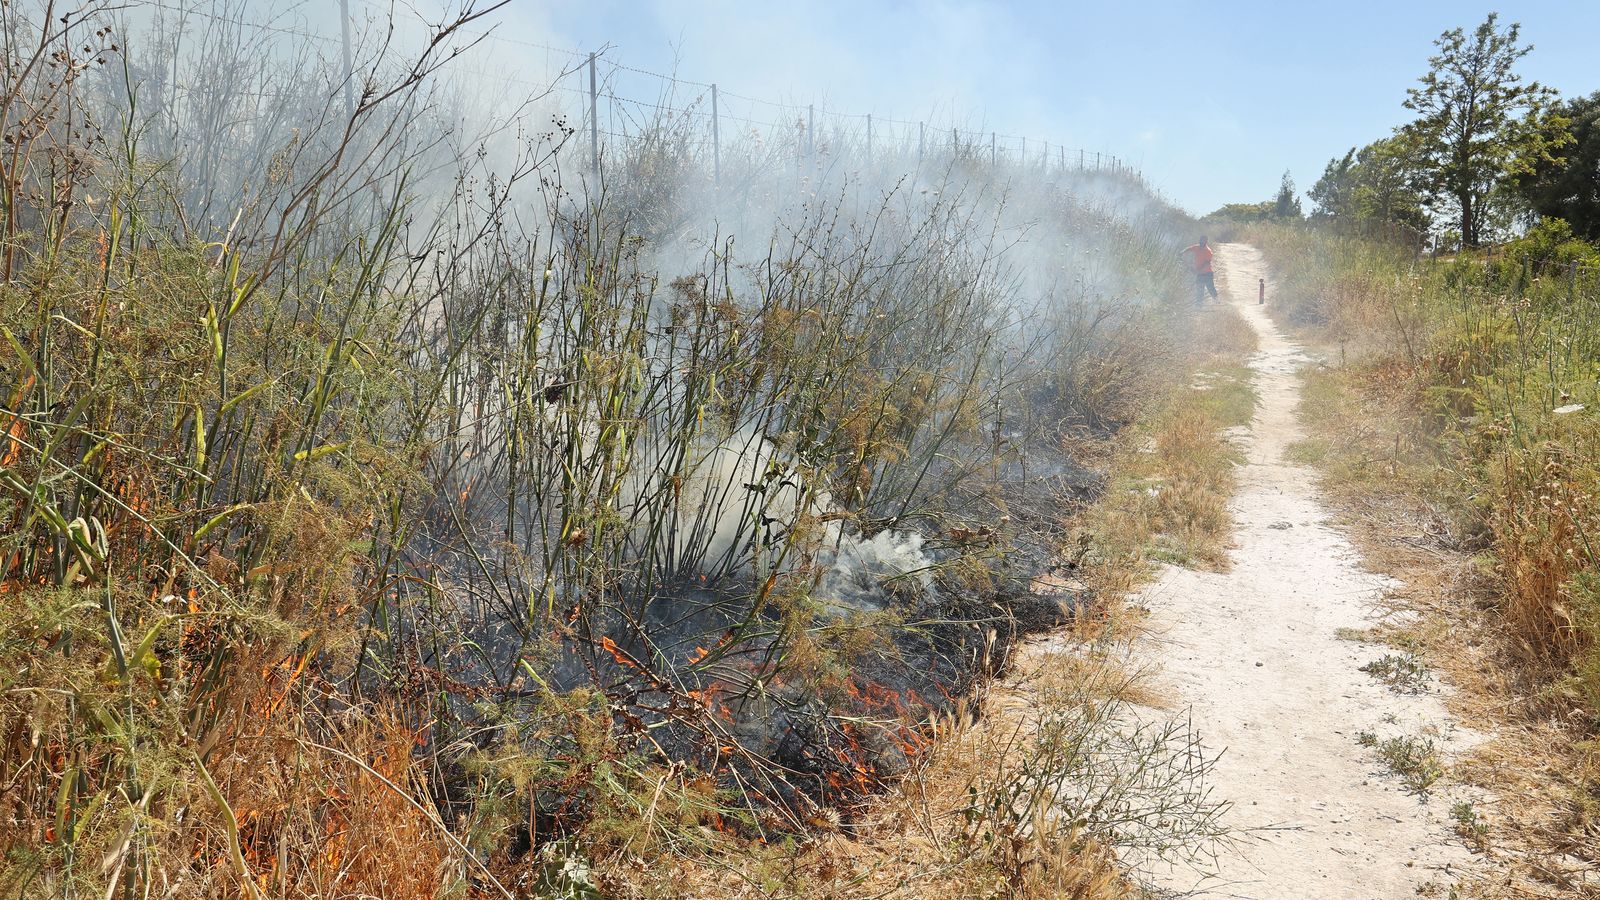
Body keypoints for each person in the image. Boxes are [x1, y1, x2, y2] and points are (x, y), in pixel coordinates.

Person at [1183, 236, 1218, 303]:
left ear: (1206, 242)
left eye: (1203, 241)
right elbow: (1190, 248)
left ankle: (1217, 301)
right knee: (1199, 290)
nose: (1201, 242)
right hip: (1200, 274)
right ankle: (1199, 306)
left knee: (1211, 289)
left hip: (1208, 274)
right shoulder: (1197, 247)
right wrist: (1182, 252)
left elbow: (1207, 264)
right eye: (1201, 240)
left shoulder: (1208, 251)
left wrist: (1198, 271)